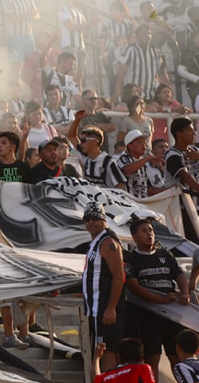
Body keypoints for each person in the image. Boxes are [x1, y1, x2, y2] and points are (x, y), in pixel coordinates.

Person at [124, 218, 189, 377]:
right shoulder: (131, 259)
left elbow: (179, 275)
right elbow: (133, 286)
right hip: (148, 315)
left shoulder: (165, 254)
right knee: (152, 358)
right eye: (144, 231)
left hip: (172, 315)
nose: (149, 234)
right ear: (135, 237)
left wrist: (185, 293)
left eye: (151, 230)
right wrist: (160, 300)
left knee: (177, 357)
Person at [82, 202, 127, 373]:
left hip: (104, 306)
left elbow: (118, 276)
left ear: (104, 219)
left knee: (105, 349)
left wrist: (111, 308)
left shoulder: (108, 241)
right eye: (87, 219)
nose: (91, 222)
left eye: (95, 218)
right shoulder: (95, 241)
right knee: (100, 349)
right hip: (96, 306)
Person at [68, 111, 127, 190]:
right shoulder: (86, 157)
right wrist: (77, 120)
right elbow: (71, 136)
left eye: (83, 140)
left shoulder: (108, 161)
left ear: (94, 141)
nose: (80, 143)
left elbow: (120, 185)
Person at [118, 25, 170, 100]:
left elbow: (162, 73)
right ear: (137, 37)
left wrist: (169, 89)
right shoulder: (130, 50)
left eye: (149, 33)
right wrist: (117, 93)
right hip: (133, 96)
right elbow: (120, 74)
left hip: (150, 95)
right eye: (144, 33)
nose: (148, 36)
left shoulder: (155, 51)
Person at [117, 130, 166, 198]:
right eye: (139, 142)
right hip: (129, 202)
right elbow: (127, 170)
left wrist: (169, 190)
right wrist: (147, 158)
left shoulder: (144, 163)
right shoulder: (123, 159)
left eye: (144, 141)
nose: (143, 144)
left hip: (142, 202)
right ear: (130, 146)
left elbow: (148, 189)